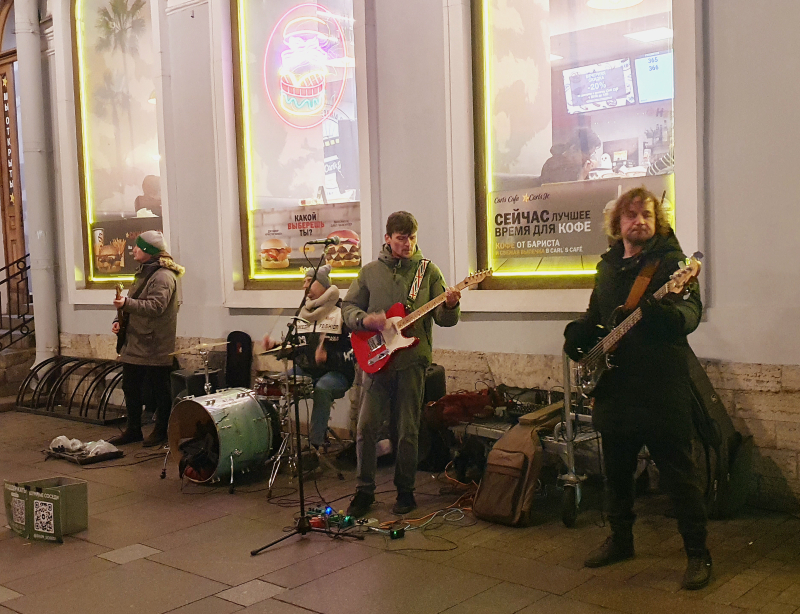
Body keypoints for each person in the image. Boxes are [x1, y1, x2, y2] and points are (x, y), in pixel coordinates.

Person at [563, 187, 710, 590]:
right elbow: (597, 315)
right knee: (617, 472)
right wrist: (579, 334)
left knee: (680, 475)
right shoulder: (608, 267)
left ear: (656, 220)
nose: (639, 221)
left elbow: (691, 312)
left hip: (662, 388)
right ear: (618, 223)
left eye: (646, 215)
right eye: (631, 216)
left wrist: (671, 317)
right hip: (616, 387)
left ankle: (697, 553)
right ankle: (621, 540)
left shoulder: (673, 264)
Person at [342, 211, 461, 517]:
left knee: (408, 429)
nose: (408, 244)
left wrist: (451, 305)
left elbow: (444, 320)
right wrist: (364, 319)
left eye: (412, 237)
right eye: (401, 238)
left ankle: (405, 491)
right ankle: (363, 491)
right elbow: (348, 308)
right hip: (376, 360)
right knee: (366, 427)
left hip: (411, 362)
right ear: (388, 239)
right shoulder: (369, 272)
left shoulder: (428, 271)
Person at [263, 264, 355, 450]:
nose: (304, 286)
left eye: (309, 281)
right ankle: (271, 441)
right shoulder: (303, 314)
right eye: (304, 281)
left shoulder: (342, 313)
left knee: (322, 388)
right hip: (305, 371)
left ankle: (314, 446)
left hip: (337, 373)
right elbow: (296, 348)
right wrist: (278, 347)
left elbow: (354, 354)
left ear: (323, 285)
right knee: (269, 386)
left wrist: (328, 357)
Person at [109, 231, 184, 447]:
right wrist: (119, 319)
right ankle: (134, 430)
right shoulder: (144, 272)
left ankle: (161, 430)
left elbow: (156, 307)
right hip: (136, 340)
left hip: (154, 342)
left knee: (160, 389)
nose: (133, 250)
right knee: (130, 386)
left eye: (138, 247)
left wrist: (125, 305)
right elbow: (133, 299)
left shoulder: (163, 276)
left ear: (150, 250)